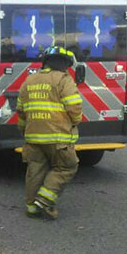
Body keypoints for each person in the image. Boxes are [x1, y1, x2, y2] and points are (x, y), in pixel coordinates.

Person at [16, 46, 83, 220]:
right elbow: (74, 106)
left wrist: (24, 130)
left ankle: (31, 208)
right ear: (64, 64)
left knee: (35, 170)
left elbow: (21, 111)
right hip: (58, 137)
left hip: (33, 136)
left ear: (45, 62)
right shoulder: (63, 79)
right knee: (66, 167)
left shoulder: (29, 80)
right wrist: (75, 122)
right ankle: (44, 199)